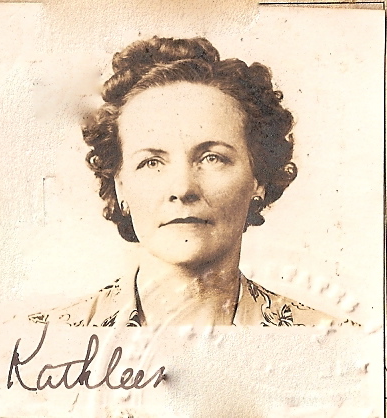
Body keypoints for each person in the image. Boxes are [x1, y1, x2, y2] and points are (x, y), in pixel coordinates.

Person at [28, 36, 355, 327]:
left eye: (212, 158)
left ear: (258, 178)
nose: (182, 189)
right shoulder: (40, 342)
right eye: (151, 162)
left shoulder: (334, 341)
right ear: (120, 186)